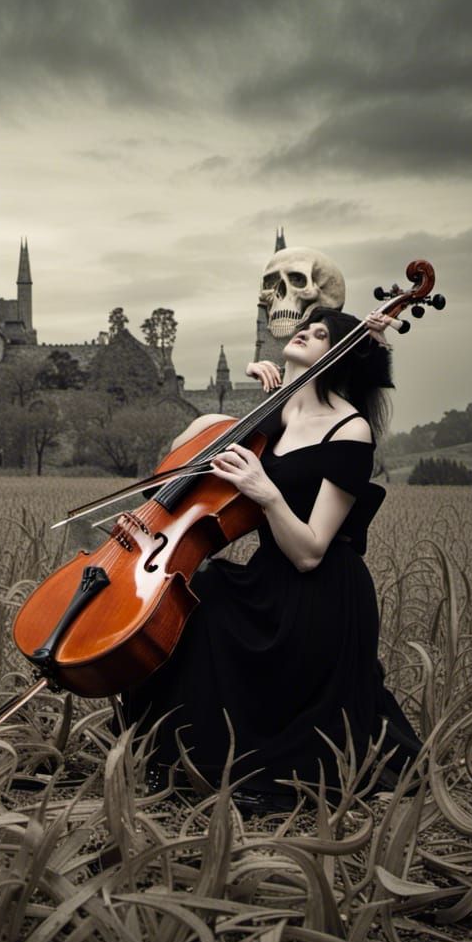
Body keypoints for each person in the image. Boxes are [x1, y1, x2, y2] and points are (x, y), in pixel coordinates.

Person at [122, 306, 422, 811]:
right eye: (305, 324)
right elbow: (183, 447)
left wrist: (265, 491)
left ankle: (220, 753)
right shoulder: (277, 419)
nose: (305, 329)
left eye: (322, 332)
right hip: (268, 578)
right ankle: (169, 750)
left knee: (214, 604)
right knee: (205, 595)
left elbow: (310, 552)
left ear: (340, 355)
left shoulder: (350, 431)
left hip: (320, 595)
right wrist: (248, 397)